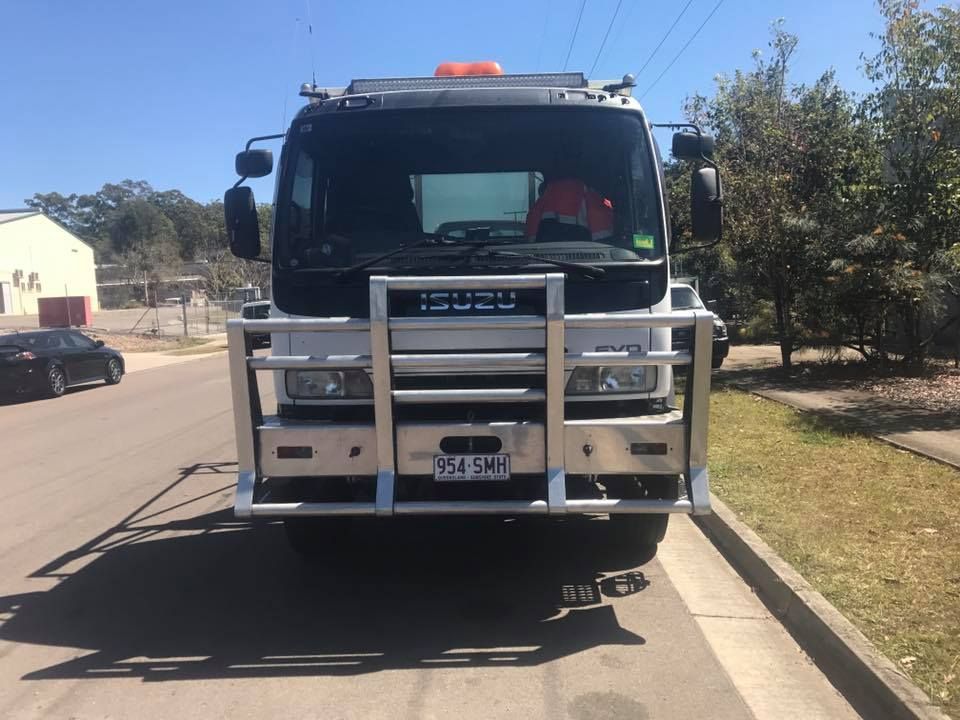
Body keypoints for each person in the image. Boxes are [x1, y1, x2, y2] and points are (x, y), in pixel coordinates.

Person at [525, 177, 614, 241]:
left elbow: (532, 244)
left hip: (543, 260)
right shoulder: (593, 201)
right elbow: (604, 241)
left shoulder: (536, 210)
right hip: (588, 259)